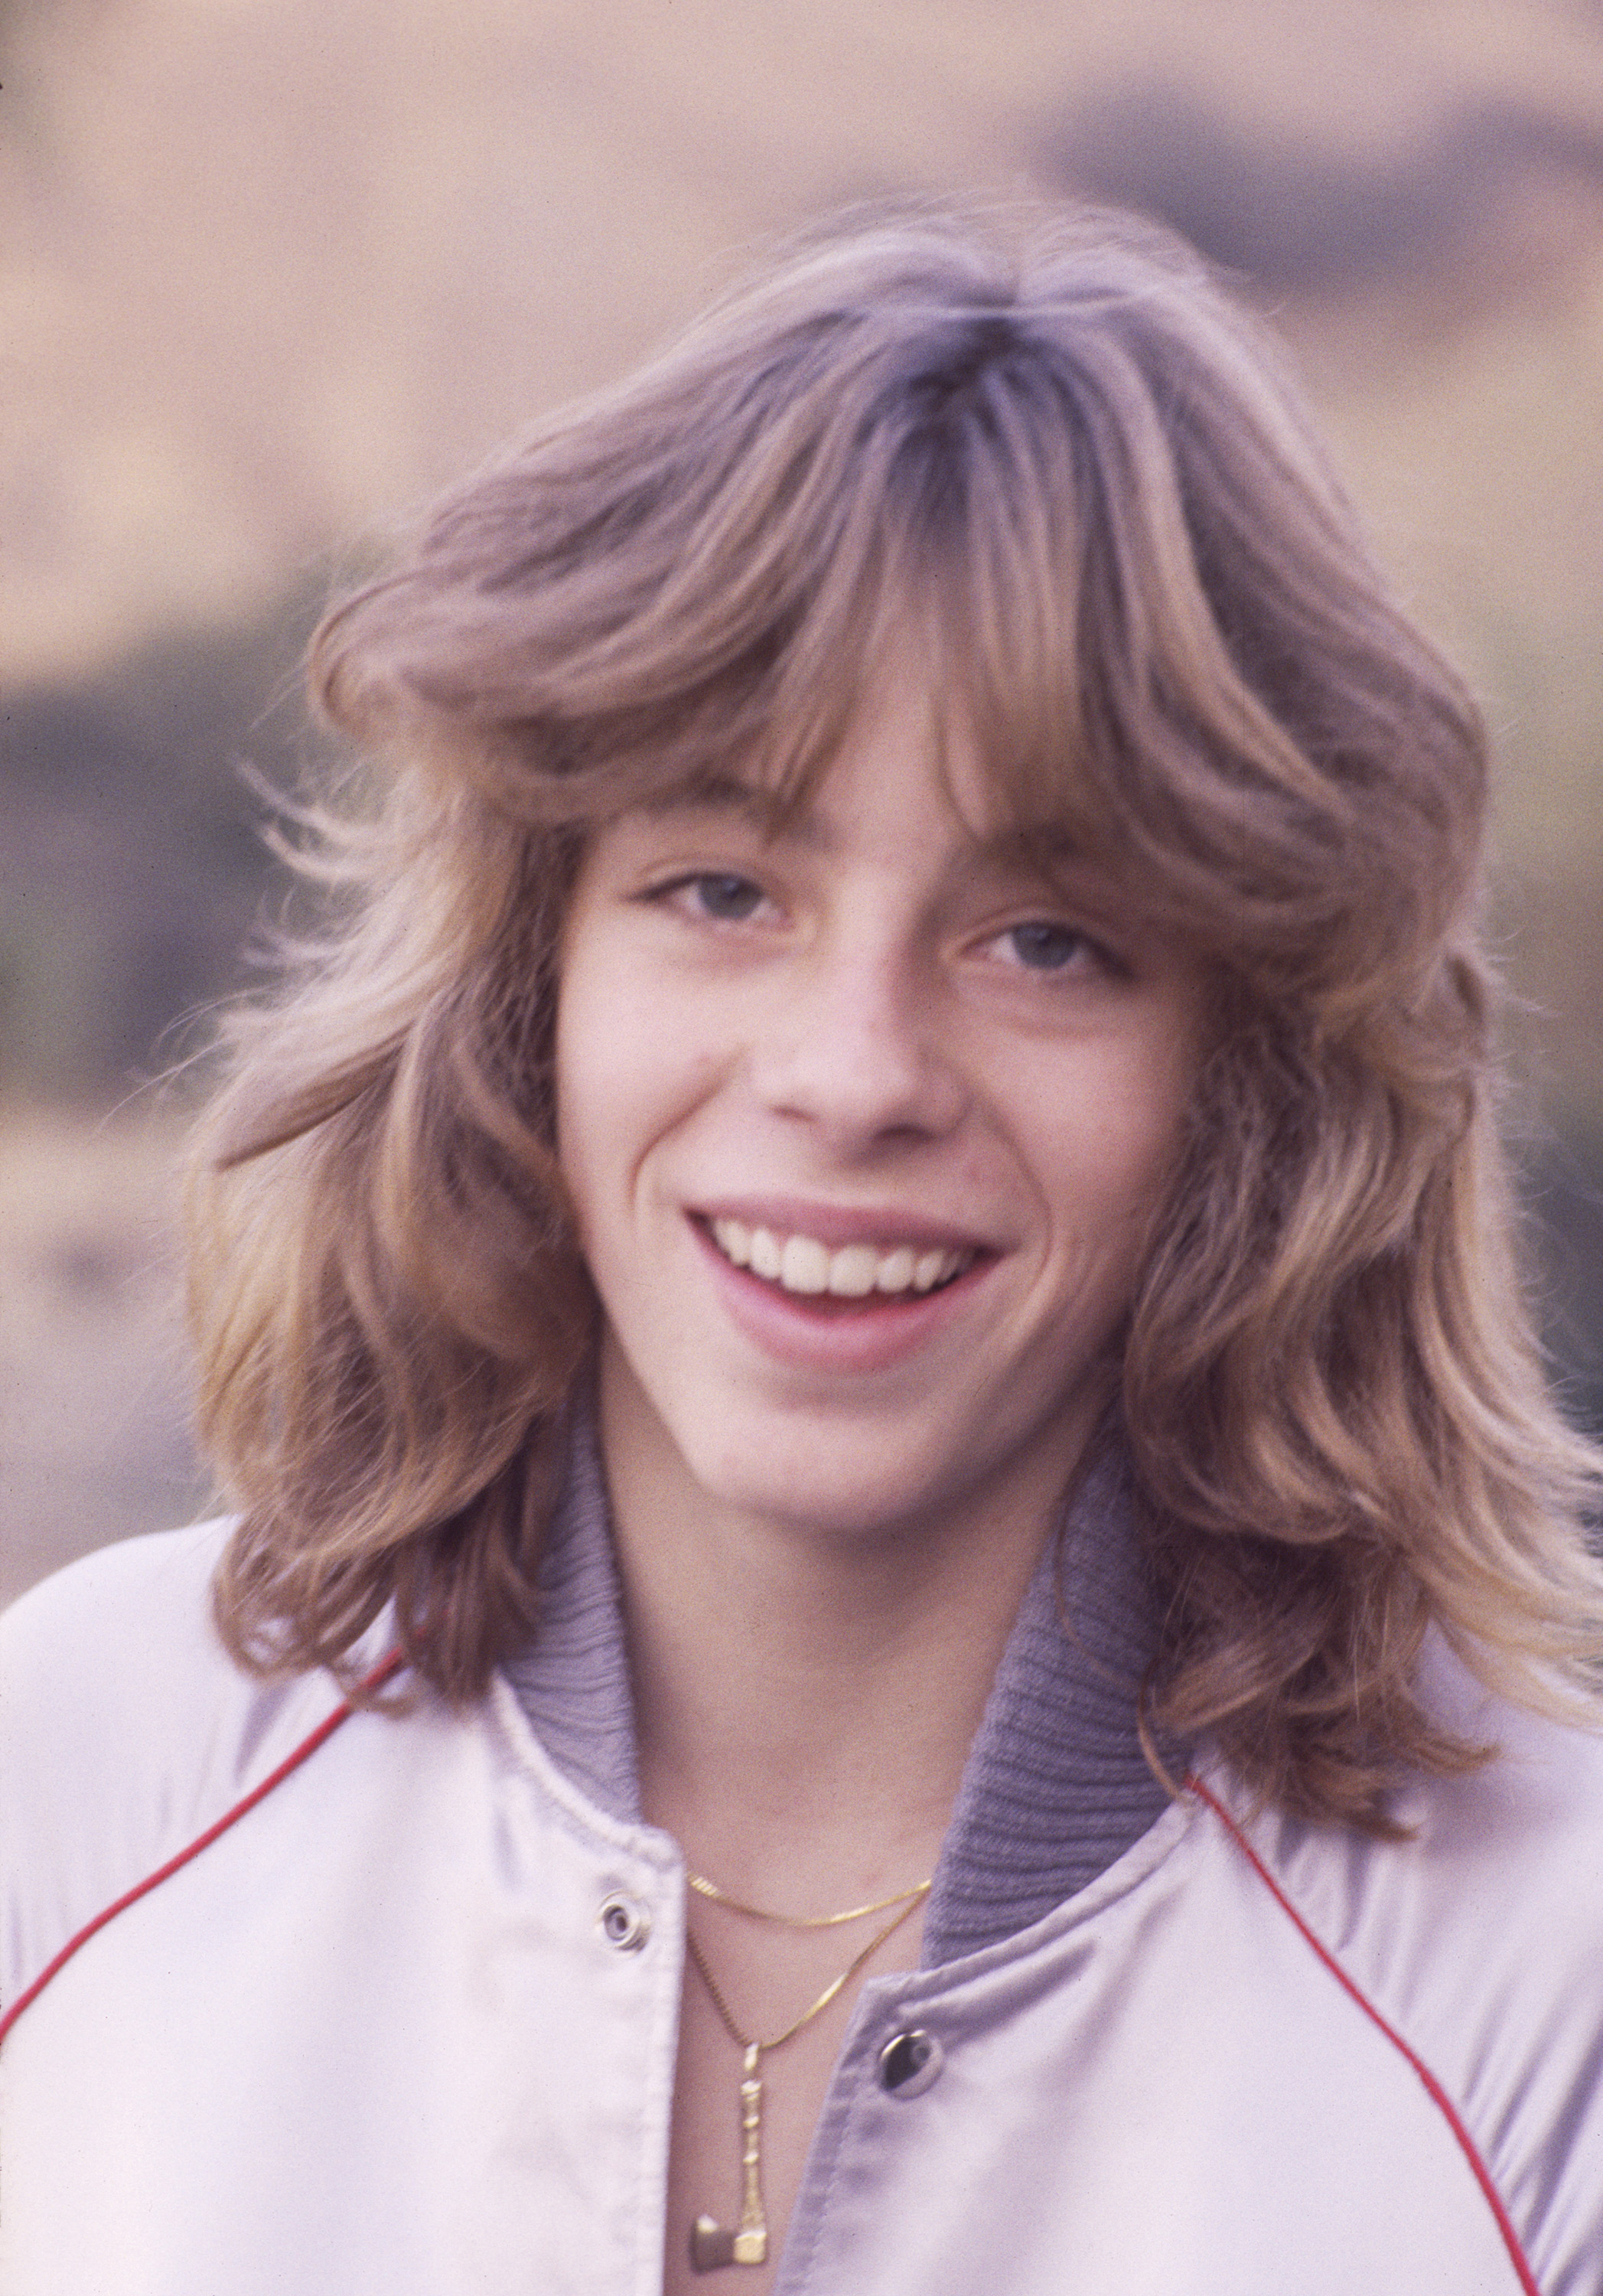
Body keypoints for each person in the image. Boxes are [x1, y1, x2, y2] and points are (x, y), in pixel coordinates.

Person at [3, 202, 1602, 2296]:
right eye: (723, 889)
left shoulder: (1548, 1989)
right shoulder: (77, 1780)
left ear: (1253, 1079)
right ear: (531, 981)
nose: (855, 1074)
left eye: (1050, 940)